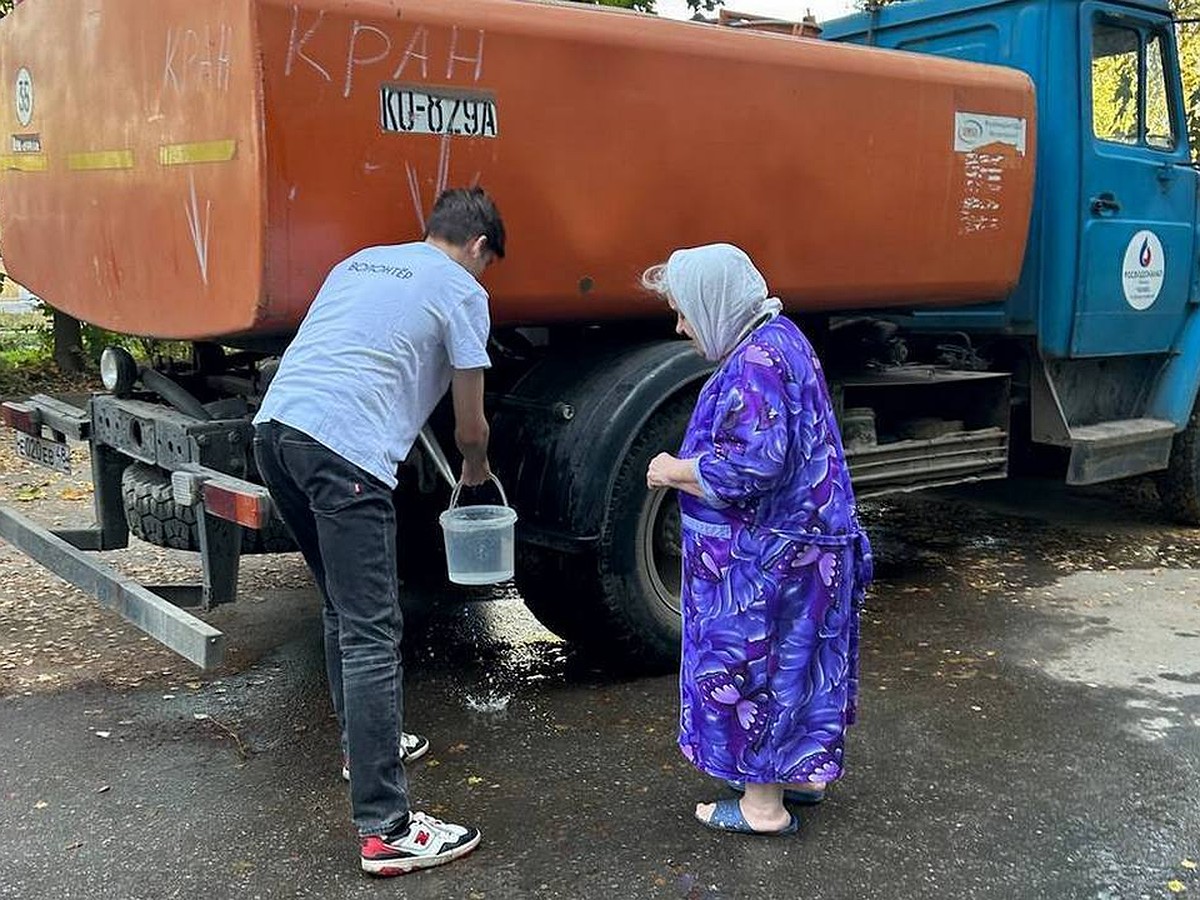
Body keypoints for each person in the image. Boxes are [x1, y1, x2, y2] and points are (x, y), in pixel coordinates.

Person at [251, 186, 505, 874]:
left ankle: (359, 747)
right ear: (478, 247)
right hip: (346, 455)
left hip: (276, 434)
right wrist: (475, 467)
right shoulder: (462, 289)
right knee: (371, 629)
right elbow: (470, 421)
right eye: (488, 263)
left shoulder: (363, 262)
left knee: (341, 606)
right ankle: (386, 830)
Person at [642, 243, 873, 836]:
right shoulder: (783, 336)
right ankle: (799, 771)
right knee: (798, 665)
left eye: (684, 310)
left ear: (713, 304)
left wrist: (673, 469)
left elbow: (752, 466)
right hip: (808, 548)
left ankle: (762, 806)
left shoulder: (754, 363)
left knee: (753, 669)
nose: (680, 324)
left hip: (769, 561)